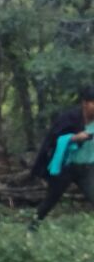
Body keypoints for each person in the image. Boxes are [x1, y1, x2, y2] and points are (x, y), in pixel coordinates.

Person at [31, 85, 94, 223]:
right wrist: (75, 138)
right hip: (66, 167)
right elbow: (54, 139)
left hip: (87, 168)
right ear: (85, 103)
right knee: (50, 200)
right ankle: (32, 227)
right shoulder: (70, 118)